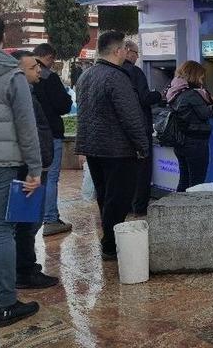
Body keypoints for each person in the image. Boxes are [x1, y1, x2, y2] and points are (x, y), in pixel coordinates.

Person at [75, 31, 149, 260]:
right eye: (125, 49)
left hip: (94, 148)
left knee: (105, 197)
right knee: (118, 199)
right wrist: (142, 146)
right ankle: (110, 244)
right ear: (118, 51)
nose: (127, 52)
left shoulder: (86, 75)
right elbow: (131, 117)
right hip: (118, 150)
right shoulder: (117, 77)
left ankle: (108, 240)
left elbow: (83, 114)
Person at [0, 16, 43, 327]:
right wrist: (35, 169)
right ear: (3, 37)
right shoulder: (13, 75)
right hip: (2, 164)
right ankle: (7, 304)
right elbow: (27, 127)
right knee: (1, 231)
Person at [11, 51, 58, 290]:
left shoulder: (28, 93)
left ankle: (24, 268)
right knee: (26, 223)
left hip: (32, 165)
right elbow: (29, 134)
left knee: (28, 221)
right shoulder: (22, 97)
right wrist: (35, 167)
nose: (38, 70)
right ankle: (25, 271)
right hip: (28, 168)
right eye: (32, 67)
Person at [31, 43, 74, 236]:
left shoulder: (19, 75)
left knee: (33, 177)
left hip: (29, 135)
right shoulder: (49, 76)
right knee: (50, 177)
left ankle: (29, 220)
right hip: (49, 134)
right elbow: (63, 105)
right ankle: (50, 218)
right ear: (49, 57)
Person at [122, 40, 162, 214]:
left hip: (122, 130)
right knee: (142, 169)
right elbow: (145, 98)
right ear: (128, 51)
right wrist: (159, 95)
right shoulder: (135, 71)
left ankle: (127, 205)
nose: (137, 57)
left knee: (127, 169)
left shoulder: (114, 71)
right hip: (139, 127)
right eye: (136, 53)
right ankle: (139, 206)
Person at [167, 61, 213, 192]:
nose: (202, 79)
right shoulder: (192, 94)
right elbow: (205, 114)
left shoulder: (175, 91)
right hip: (195, 143)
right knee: (196, 182)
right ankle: (193, 205)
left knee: (184, 179)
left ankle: (179, 204)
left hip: (181, 141)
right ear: (194, 75)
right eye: (201, 76)